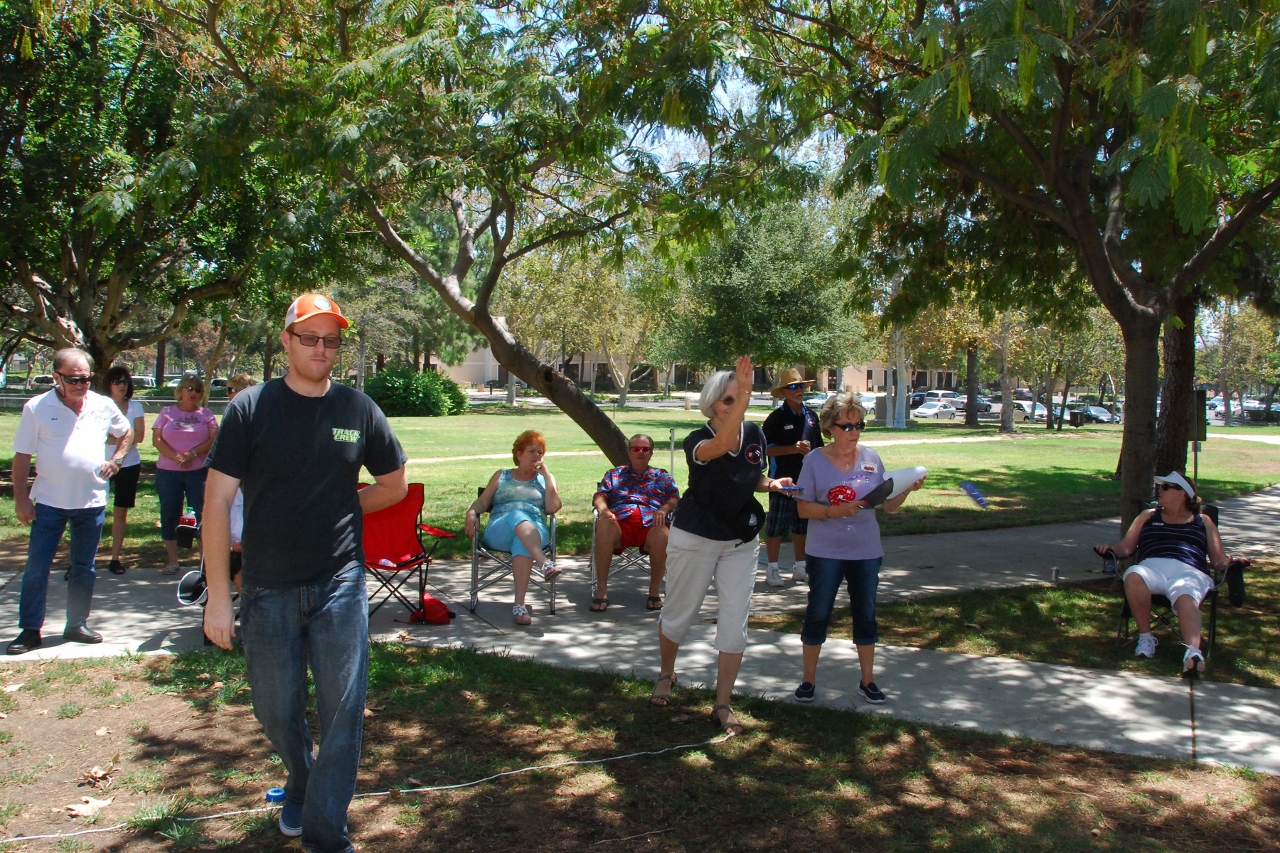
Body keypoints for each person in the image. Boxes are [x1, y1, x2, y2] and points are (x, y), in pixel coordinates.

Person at [202, 293, 407, 852]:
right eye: (310, 338)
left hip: (339, 584)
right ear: (287, 341)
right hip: (266, 587)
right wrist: (219, 596)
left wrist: (342, 505)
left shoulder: (357, 409)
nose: (321, 349)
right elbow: (217, 501)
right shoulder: (249, 408)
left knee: (343, 712)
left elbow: (394, 483)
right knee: (275, 709)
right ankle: (301, 773)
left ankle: (325, 836)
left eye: (331, 340)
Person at [652, 355, 795, 735]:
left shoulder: (756, 434)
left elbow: (752, 475)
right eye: (729, 400)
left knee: (735, 620)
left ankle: (722, 702)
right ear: (711, 404)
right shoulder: (697, 440)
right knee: (680, 613)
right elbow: (722, 445)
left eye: (739, 399)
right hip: (695, 536)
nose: (736, 405)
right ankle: (667, 673)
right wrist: (746, 394)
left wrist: (771, 484)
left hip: (741, 539)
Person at [791, 393, 924, 706]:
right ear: (830, 428)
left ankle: (868, 681)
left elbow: (887, 505)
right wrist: (833, 512)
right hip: (825, 551)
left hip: (865, 550)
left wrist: (906, 489)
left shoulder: (872, 458)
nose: (854, 432)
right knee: (818, 612)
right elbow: (802, 510)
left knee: (866, 614)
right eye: (847, 426)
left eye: (858, 425)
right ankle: (808, 680)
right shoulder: (813, 461)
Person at [7, 348, 132, 654]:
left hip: (90, 503)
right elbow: (22, 456)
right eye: (74, 379)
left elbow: (126, 432)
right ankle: (30, 630)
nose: (81, 385)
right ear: (56, 377)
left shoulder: (103, 405)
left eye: (87, 379)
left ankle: (76, 624)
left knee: (84, 567)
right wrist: (21, 499)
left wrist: (116, 460)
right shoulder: (37, 407)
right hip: (49, 502)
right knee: (37, 566)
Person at [1094, 471, 1245, 674]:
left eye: (1165, 487)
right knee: (1134, 574)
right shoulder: (1148, 516)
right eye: (1159, 487)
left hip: (1190, 571)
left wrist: (1232, 563)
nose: (1159, 490)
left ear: (1182, 493)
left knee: (1186, 594)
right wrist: (1110, 550)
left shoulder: (1203, 521)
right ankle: (1146, 638)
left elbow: (1218, 560)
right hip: (1152, 568)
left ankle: (1193, 653)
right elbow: (1126, 549)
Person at [465, 430, 563, 625]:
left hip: (534, 532)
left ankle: (520, 606)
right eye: (531, 451)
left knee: (523, 540)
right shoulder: (502, 475)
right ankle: (544, 563)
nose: (537, 456)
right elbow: (483, 503)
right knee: (517, 515)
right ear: (519, 454)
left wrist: (548, 478)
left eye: (540, 452)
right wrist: (470, 513)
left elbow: (552, 508)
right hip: (500, 530)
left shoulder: (545, 480)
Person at [590, 434, 680, 612]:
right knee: (604, 525)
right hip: (619, 522)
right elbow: (600, 495)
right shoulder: (615, 474)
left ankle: (654, 592)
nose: (640, 452)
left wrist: (663, 509)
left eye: (645, 449)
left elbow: (675, 498)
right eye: (636, 449)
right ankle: (601, 591)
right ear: (629, 452)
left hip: (651, 523)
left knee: (663, 534)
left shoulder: (661, 476)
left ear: (651, 453)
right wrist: (604, 510)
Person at [762, 368, 824, 587]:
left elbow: (819, 448)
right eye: (793, 387)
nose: (799, 391)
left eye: (801, 387)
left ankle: (800, 567)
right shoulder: (775, 419)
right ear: (784, 392)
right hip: (781, 481)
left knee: (802, 526)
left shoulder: (811, 417)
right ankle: (772, 569)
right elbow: (766, 450)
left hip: (806, 481)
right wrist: (792, 449)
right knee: (776, 527)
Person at [152, 375, 218, 574]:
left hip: (197, 473)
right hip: (168, 473)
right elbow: (156, 439)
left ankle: (202, 563)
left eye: (198, 390)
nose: (193, 393)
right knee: (170, 513)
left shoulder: (206, 414)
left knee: (197, 514)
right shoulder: (167, 412)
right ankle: (173, 561)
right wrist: (177, 457)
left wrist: (192, 454)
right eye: (189, 388)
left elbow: (215, 438)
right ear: (180, 390)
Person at [104, 365, 147, 575]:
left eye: (125, 382)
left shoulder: (136, 407)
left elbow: (139, 436)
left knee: (120, 512)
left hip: (129, 465)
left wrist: (114, 440)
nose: (122, 386)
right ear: (108, 385)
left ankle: (115, 558)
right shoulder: (100, 406)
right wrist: (123, 439)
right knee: (91, 511)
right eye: (117, 382)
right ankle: (81, 561)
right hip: (100, 464)